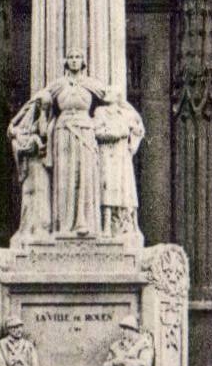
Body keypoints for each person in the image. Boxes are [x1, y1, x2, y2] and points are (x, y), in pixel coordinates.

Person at [44, 52, 106, 236]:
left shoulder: (91, 84)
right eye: (70, 56)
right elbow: (42, 100)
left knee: (85, 174)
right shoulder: (58, 85)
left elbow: (113, 99)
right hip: (63, 132)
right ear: (65, 61)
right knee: (64, 176)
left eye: (78, 57)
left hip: (85, 130)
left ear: (83, 61)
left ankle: (84, 221)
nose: (74, 60)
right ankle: (64, 224)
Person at [94, 95, 144, 239]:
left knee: (124, 191)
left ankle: (125, 226)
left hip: (122, 157)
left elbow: (138, 128)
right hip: (106, 155)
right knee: (107, 189)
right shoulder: (100, 112)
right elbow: (96, 131)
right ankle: (106, 226)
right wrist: (116, 133)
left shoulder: (126, 113)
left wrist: (131, 142)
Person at [8, 94, 52, 239]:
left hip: (39, 164)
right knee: (30, 193)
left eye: (46, 106)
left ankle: (40, 227)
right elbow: (12, 130)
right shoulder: (28, 121)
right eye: (42, 106)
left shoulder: (45, 119)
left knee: (40, 192)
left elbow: (44, 133)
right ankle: (29, 228)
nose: (44, 108)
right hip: (31, 163)